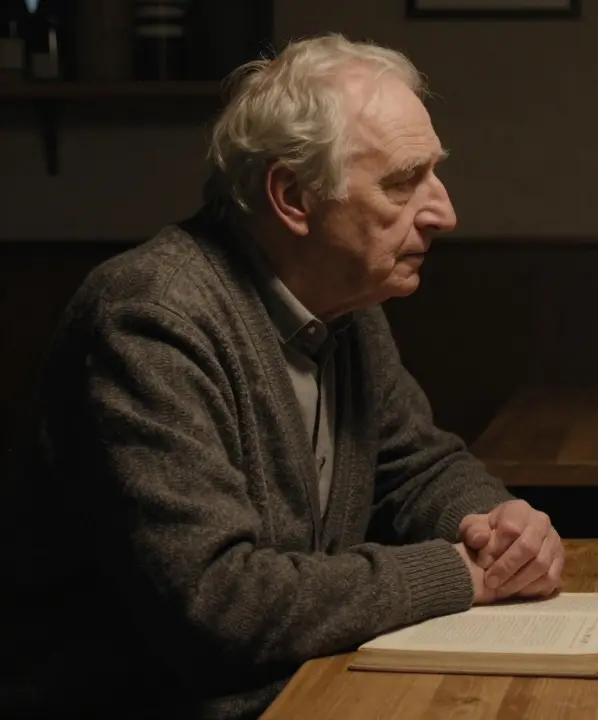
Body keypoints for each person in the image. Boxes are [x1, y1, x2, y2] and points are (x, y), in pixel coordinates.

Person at [0, 34, 564, 719]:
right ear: (293, 196)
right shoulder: (148, 317)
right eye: (402, 181)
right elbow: (218, 601)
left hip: (299, 692)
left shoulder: (348, 303)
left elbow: (418, 466)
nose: (444, 212)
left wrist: (492, 524)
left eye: (435, 173)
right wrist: (457, 573)